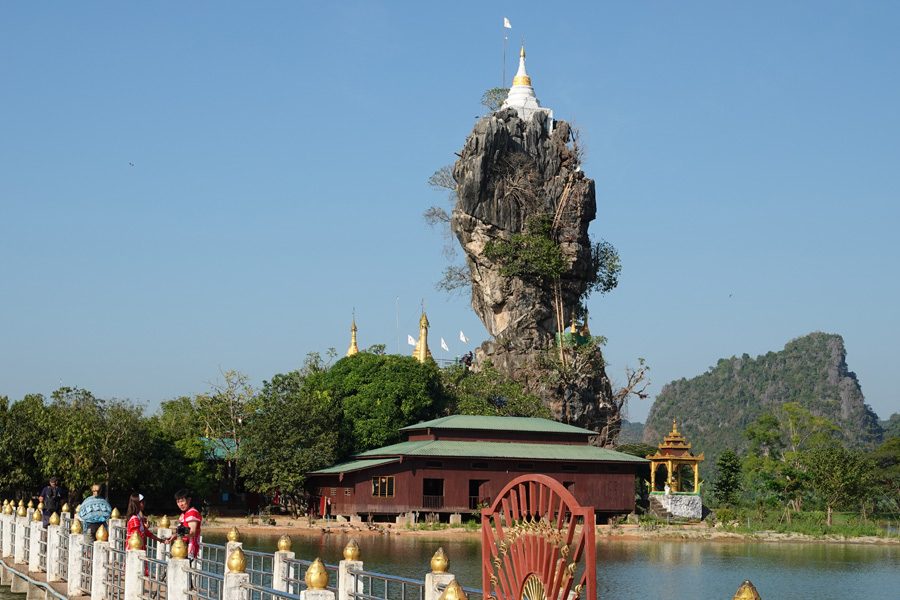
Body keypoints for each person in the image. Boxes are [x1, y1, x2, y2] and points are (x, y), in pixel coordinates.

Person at [166, 489, 201, 564]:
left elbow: (192, 531)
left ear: (189, 500)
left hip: (188, 550)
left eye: (182, 501)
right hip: (181, 549)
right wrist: (175, 536)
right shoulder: (184, 514)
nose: (180, 504)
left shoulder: (192, 513)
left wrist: (177, 535)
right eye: (178, 502)